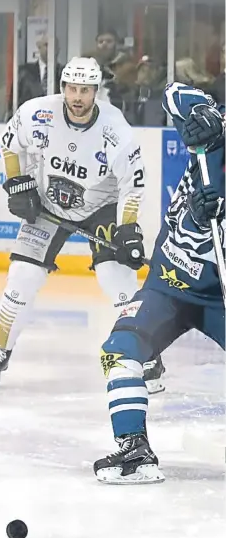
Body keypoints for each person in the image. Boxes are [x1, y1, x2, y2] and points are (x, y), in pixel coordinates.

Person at [0, 57, 164, 393]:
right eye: (72, 89)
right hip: (50, 205)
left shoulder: (114, 128)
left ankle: (148, 355)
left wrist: (128, 229)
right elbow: (9, 144)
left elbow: (132, 185)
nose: (78, 97)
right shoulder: (37, 112)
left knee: (115, 280)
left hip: (101, 207)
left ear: (96, 92)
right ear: (63, 88)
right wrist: (18, 182)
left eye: (86, 90)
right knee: (22, 277)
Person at [94, 82, 225, 485]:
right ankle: (133, 447)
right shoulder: (217, 128)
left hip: (217, 296)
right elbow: (173, 92)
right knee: (119, 350)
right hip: (170, 281)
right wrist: (207, 122)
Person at [17, 37, 64, 107]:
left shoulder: (64, 73)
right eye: (46, 45)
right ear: (39, 47)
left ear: (58, 49)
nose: (51, 49)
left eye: (54, 45)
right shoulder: (24, 72)